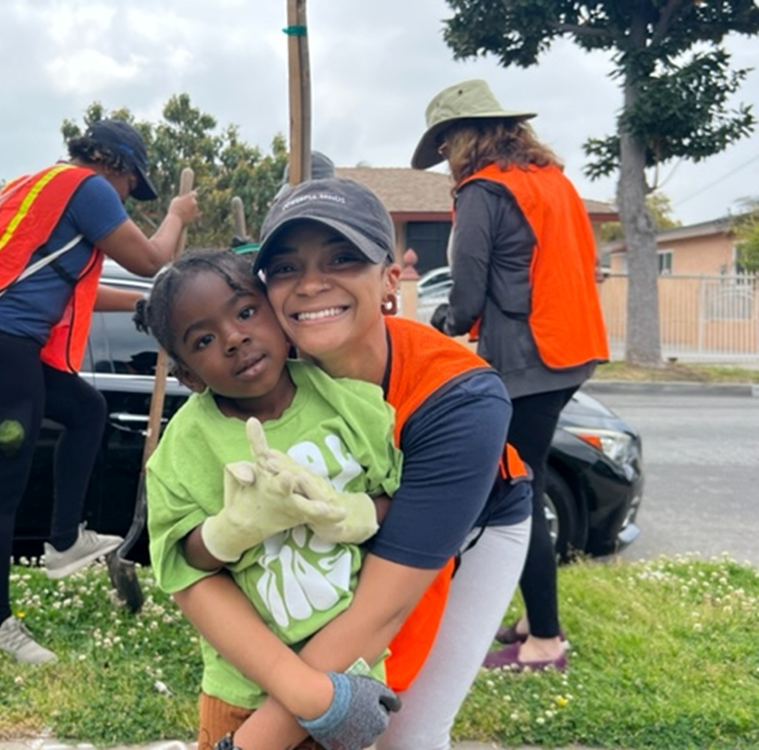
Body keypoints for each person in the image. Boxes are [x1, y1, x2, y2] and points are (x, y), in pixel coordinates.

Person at [169, 178, 533, 750]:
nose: (312, 284)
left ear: (389, 279)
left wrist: (249, 744)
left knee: (402, 730)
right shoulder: (251, 365)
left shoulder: (460, 397)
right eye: (287, 268)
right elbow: (188, 569)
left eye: (343, 258)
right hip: (335, 524)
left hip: (466, 524)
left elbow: (380, 613)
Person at [0, 119, 199, 664]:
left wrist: (138, 307)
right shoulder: (89, 189)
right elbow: (153, 259)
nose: (128, 197)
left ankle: (63, 540)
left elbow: (67, 285)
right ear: (117, 167)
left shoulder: (39, 186)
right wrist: (176, 216)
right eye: (133, 185)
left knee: (85, 409)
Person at [136, 249, 402, 750]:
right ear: (189, 375)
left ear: (279, 318)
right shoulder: (186, 445)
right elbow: (181, 561)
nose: (234, 338)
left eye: (245, 312)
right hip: (241, 692)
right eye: (205, 340)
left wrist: (346, 514)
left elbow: (393, 499)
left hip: (352, 676)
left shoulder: (347, 403)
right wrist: (233, 528)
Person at [412, 79, 610, 672]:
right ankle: (533, 617)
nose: (446, 157)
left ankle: (545, 641)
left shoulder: (484, 191)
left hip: (529, 360)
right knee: (524, 480)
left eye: (447, 143)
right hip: (573, 349)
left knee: (514, 493)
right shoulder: (552, 181)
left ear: (466, 135)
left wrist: (438, 322)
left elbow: (467, 296)